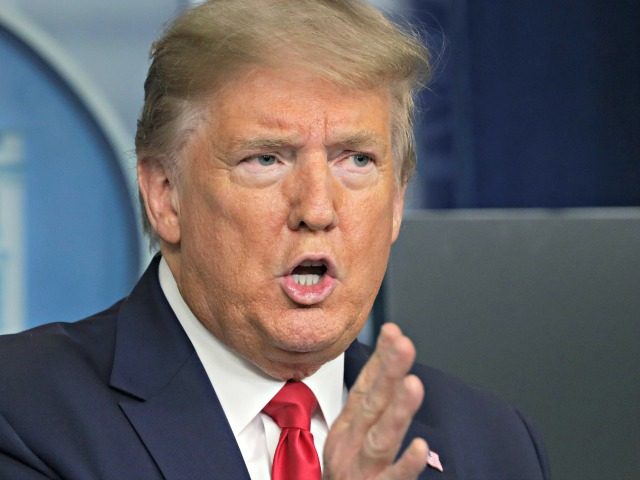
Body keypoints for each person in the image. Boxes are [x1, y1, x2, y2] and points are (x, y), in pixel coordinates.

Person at [0, 1, 550, 479]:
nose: (316, 209)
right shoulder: (25, 412)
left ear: (398, 202)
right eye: (266, 158)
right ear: (166, 196)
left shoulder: (492, 444)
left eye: (356, 160)